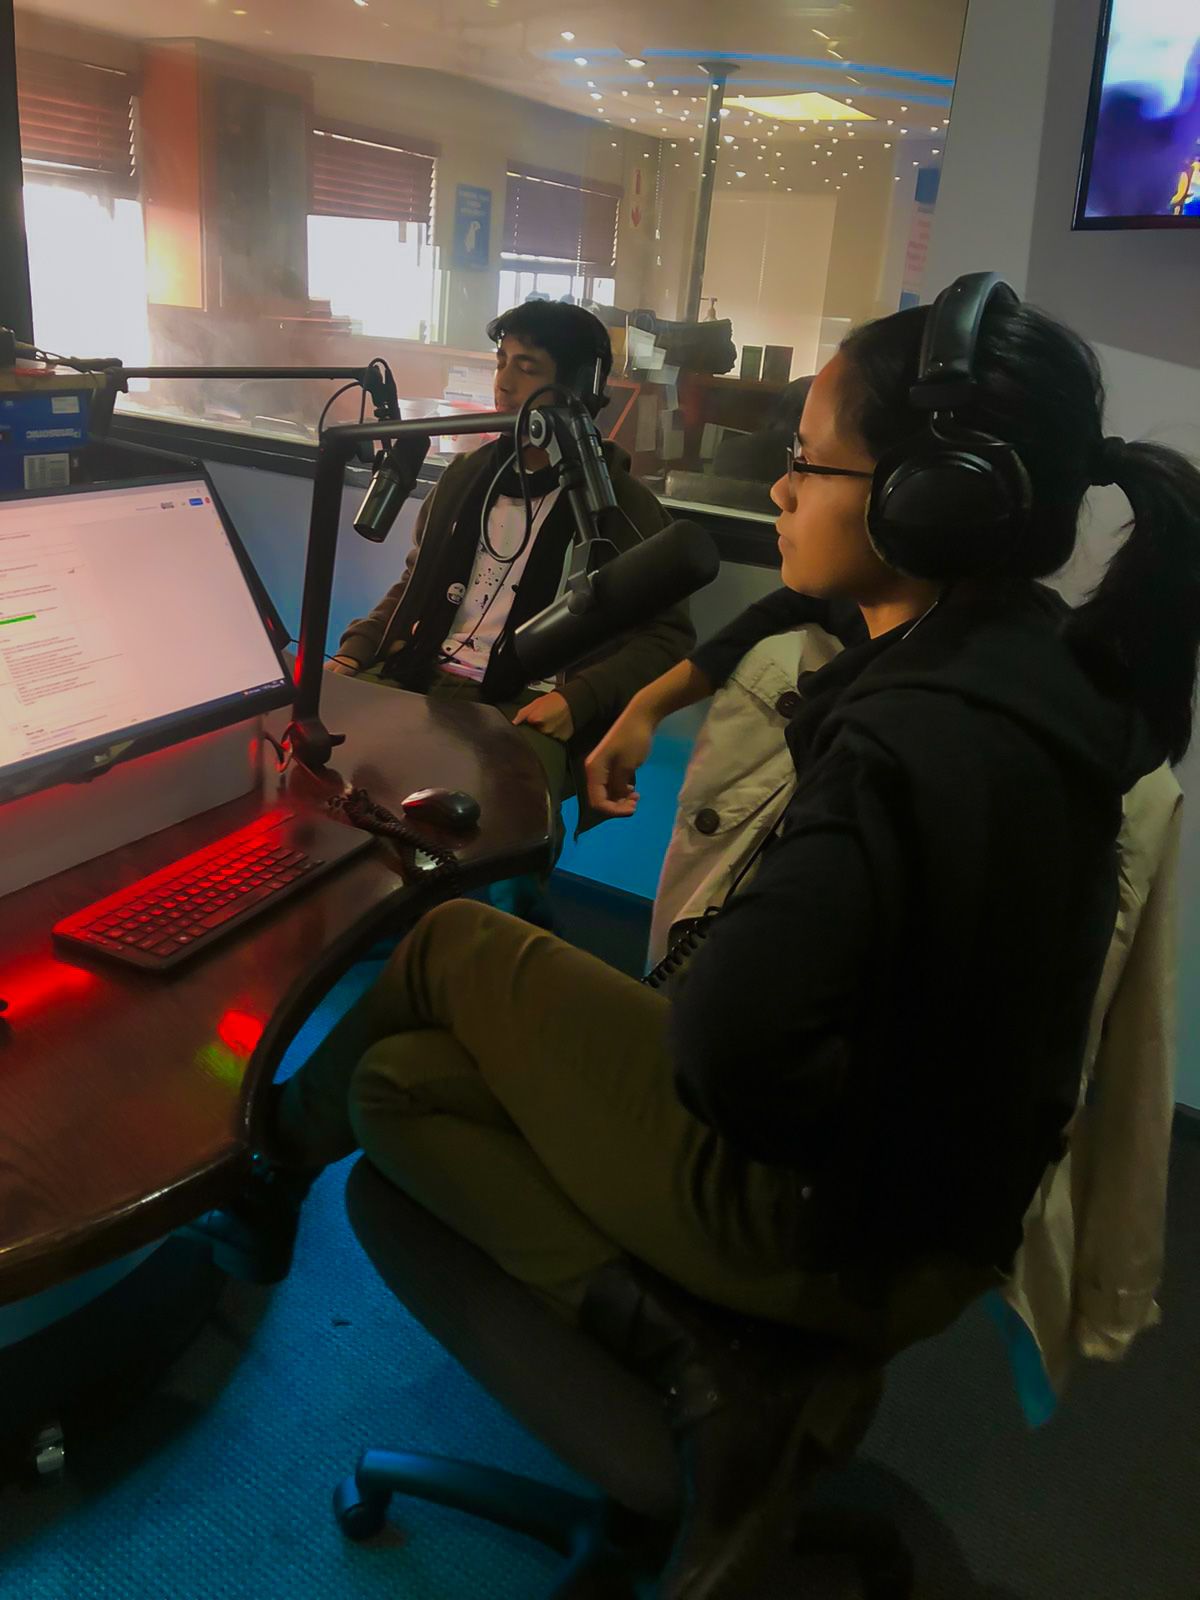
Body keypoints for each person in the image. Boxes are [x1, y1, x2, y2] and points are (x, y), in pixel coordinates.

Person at [191, 282, 1200, 1597]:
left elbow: (726, 1055)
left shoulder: (910, 742)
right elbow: (790, 624)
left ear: (927, 502)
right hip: (934, 1212)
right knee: (396, 1087)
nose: (778, 488)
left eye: (807, 463)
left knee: (451, 955)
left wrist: (664, 1014)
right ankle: (699, 1372)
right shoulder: (1026, 664)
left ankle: (262, 1171)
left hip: (820, 1223)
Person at [325, 301, 694, 909]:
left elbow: (668, 637)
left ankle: (506, 934)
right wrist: (356, 651)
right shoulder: (466, 476)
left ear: (576, 390)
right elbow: (414, 584)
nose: (503, 381)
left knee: (507, 835)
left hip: (527, 702)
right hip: (417, 671)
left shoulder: (617, 505)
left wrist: (578, 699)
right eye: (501, 362)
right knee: (324, 757)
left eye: (527, 367)